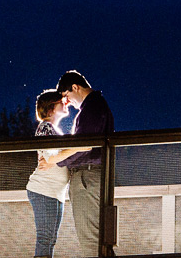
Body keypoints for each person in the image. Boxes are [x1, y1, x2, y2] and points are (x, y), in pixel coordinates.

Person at [38, 70, 114, 257]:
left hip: (88, 177)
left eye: (66, 96)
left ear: (75, 87)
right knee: (100, 240)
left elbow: (84, 145)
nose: (67, 102)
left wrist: (54, 160)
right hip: (94, 176)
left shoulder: (92, 107)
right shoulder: (96, 105)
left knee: (91, 240)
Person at [25, 90, 70, 258]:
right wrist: (78, 147)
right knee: (45, 238)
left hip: (54, 192)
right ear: (51, 108)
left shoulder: (52, 129)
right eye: (61, 102)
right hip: (44, 190)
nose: (65, 104)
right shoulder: (45, 127)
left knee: (50, 239)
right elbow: (52, 158)